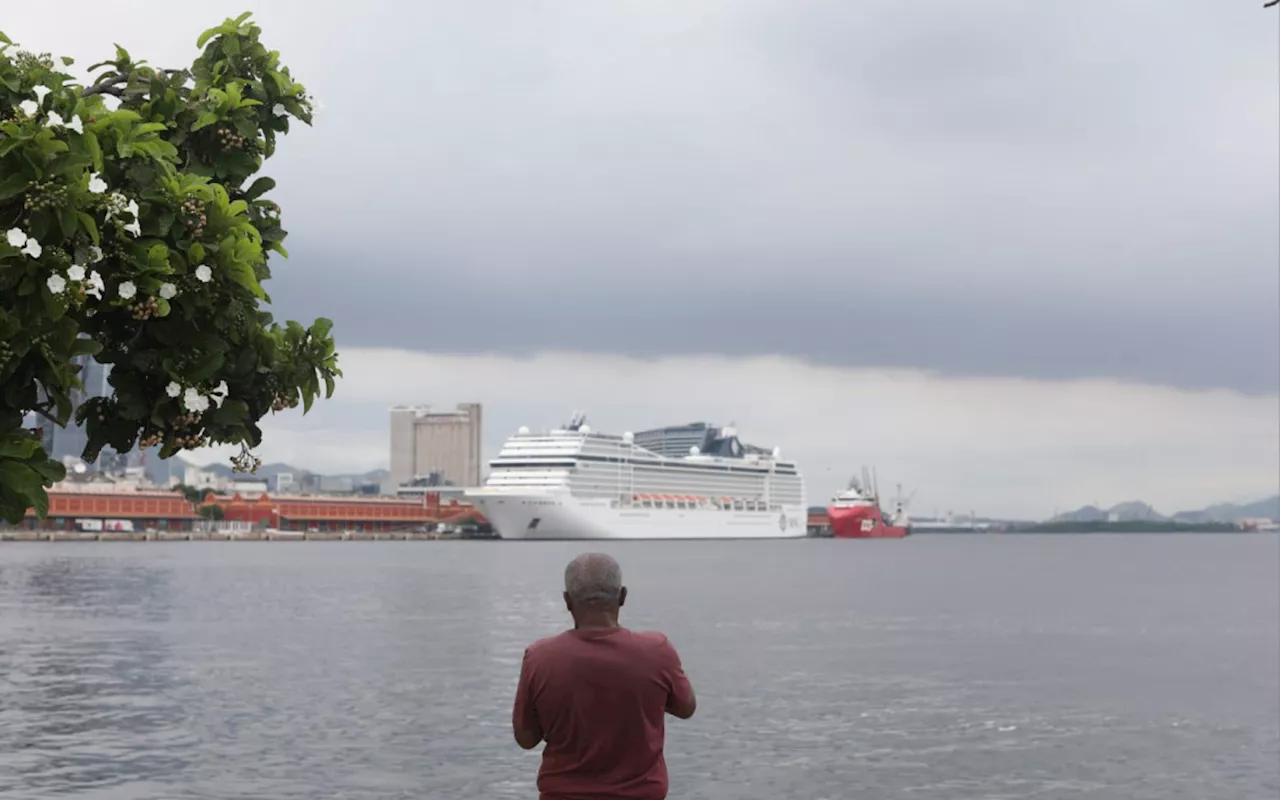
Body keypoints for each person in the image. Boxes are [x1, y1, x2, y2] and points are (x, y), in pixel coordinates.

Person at [512, 552, 697, 800]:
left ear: (567, 601)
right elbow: (686, 708)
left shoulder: (539, 657)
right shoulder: (657, 650)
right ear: (622, 596)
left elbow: (526, 738)